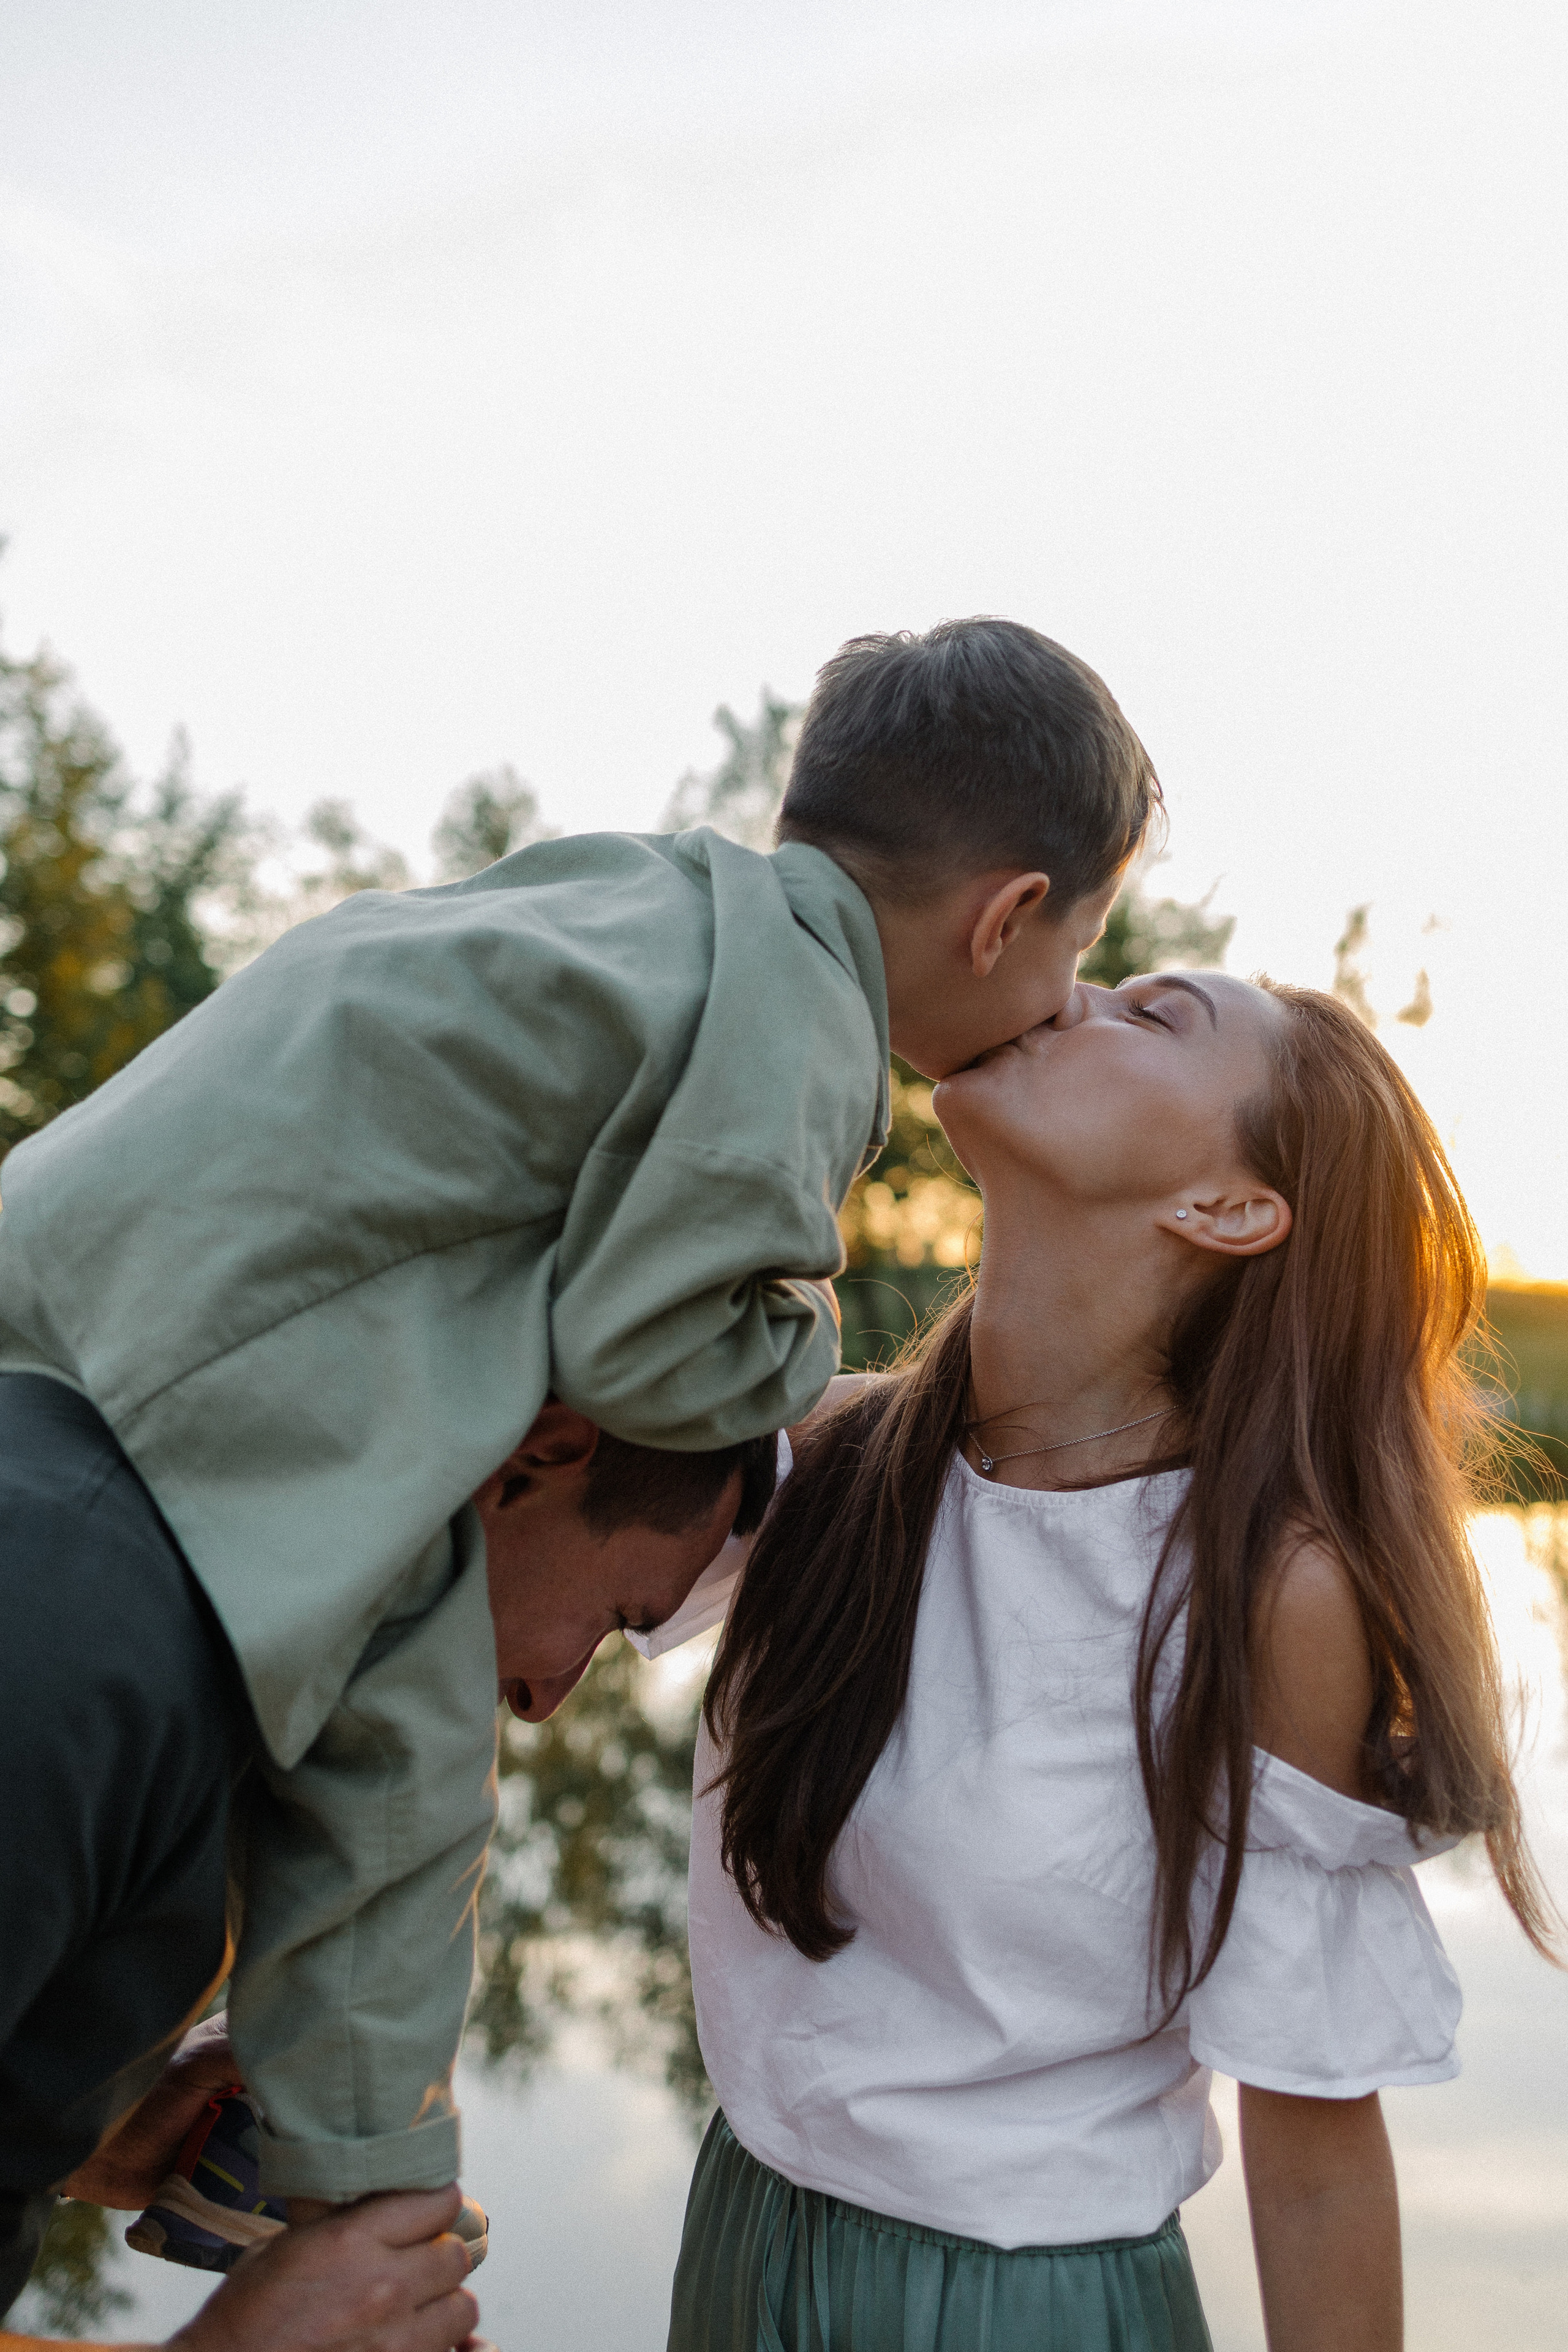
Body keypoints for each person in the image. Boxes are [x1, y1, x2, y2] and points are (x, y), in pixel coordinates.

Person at [0, 618, 1158, 2334]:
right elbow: (641, 1341)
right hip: (175, 1403)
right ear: (1005, 916)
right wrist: (796, 1357)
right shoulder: (796, 1022)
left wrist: (335, 2190)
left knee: (392, 1808)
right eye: (630, 1616)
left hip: (113, 1314)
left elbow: (397, 1836)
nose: (548, 1705)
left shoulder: (609, 899)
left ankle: (334, 2203)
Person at [671, 967, 1560, 2351]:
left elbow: (1312, 2142)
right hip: (738, 2243)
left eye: (1151, 1015)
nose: (1062, 995)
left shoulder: (1269, 1589)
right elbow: (464, 1608)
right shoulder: (834, 1458)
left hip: (1017, 2301)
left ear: (1228, 1207)